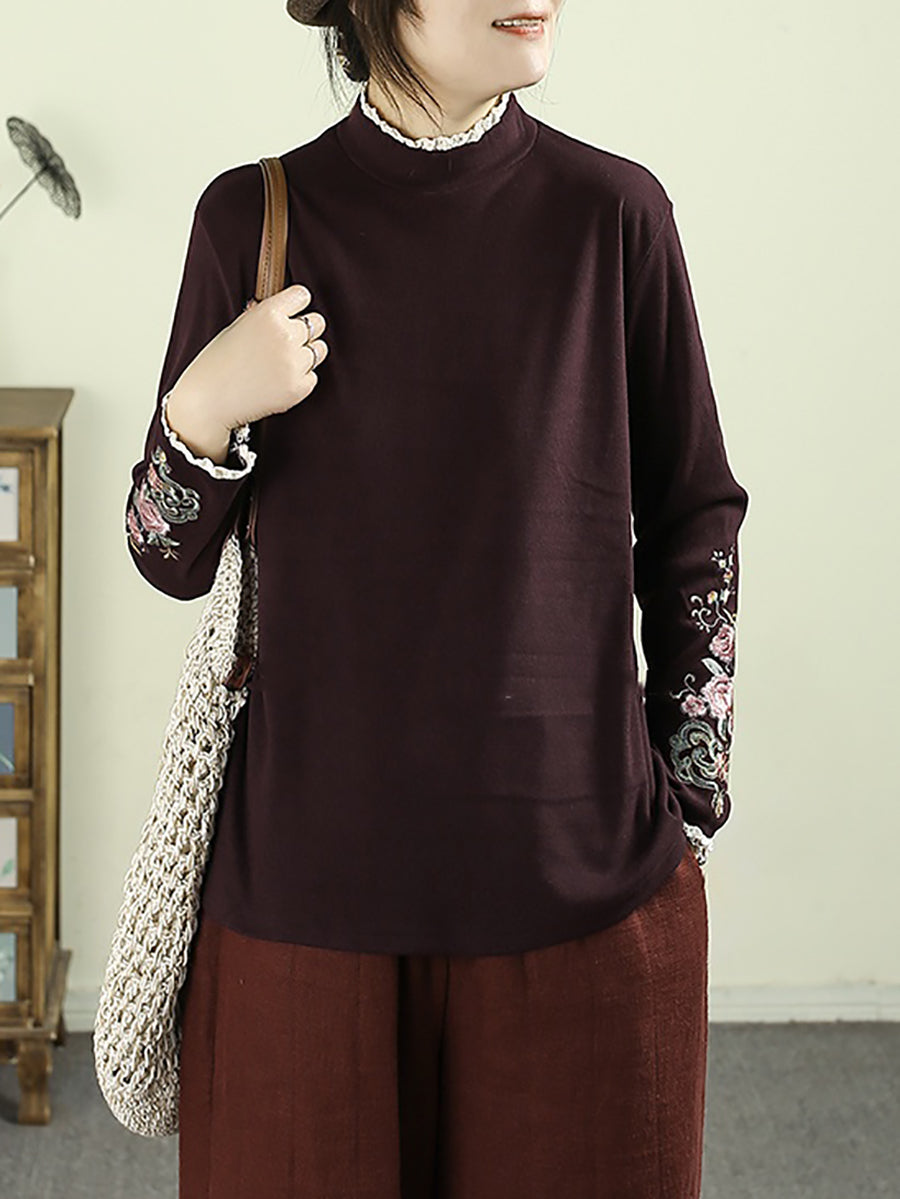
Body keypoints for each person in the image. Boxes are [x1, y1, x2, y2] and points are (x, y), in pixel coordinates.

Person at [124, 1, 750, 1194]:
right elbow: (168, 556)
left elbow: (695, 518)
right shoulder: (251, 220)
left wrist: (693, 795)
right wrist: (201, 414)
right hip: (303, 910)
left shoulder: (614, 216)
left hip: (582, 898)